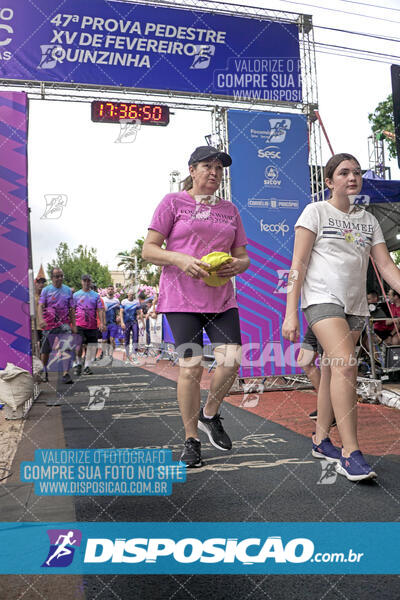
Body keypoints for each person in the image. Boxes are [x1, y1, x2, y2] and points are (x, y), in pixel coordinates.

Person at [283, 152, 400, 482]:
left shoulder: (368, 220)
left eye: (357, 173)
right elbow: (298, 266)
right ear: (329, 181)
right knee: (346, 363)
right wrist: (291, 311)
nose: (353, 178)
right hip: (321, 301)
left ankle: (321, 440)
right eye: (345, 173)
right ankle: (351, 452)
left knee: (335, 369)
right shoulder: (315, 212)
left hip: (355, 307)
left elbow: (387, 267)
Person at [142, 145, 250, 467]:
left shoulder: (229, 209)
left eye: (219, 168)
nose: (214, 172)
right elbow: (149, 249)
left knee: (230, 362)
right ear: (191, 170)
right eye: (207, 166)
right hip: (180, 300)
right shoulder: (172, 202)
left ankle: (210, 414)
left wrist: (238, 265)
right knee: (190, 369)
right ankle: (191, 439)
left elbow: (243, 256)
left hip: (221, 300)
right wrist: (179, 259)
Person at [38, 267, 76, 385]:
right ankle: (45, 372)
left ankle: (65, 374)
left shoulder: (68, 290)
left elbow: (71, 308)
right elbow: (40, 306)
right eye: (57, 276)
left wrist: (73, 325)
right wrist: (41, 319)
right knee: (45, 351)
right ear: (52, 278)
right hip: (49, 325)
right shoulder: (46, 290)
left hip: (64, 324)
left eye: (61, 276)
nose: (59, 278)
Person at [73, 275, 105, 375]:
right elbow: (72, 310)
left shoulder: (96, 295)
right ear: (81, 282)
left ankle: (87, 366)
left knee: (92, 347)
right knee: (79, 345)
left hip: (92, 325)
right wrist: (72, 323)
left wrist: (102, 323)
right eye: (85, 281)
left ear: (90, 282)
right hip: (79, 324)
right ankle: (78, 363)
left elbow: (100, 309)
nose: (87, 282)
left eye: (88, 281)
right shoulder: (76, 295)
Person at [120, 289, 141, 364]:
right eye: (130, 294)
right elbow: (121, 312)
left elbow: (139, 313)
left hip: (134, 322)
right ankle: (128, 357)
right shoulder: (124, 301)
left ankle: (134, 356)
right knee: (127, 339)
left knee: (135, 338)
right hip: (126, 323)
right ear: (127, 294)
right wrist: (122, 322)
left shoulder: (137, 302)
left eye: (132, 294)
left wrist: (143, 323)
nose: (131, 295)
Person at [101, 285, 120, 360]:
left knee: (112, 340)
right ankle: (103, 353)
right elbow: (100, 311)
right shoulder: (103, 299)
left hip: (113, 323)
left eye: (112, 289)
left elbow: (119, 311)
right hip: (105, 323)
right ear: (106, 291)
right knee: (104, 340)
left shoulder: (117, 301)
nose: (110, 290)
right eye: (109, 289)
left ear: (114, 291)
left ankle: (111, 355)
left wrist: (119, 318)